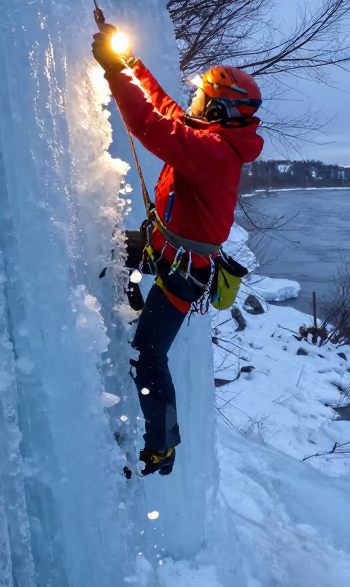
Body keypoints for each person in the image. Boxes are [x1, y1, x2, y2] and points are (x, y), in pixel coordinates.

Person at [93, 26, 264, 476]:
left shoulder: (214, 152)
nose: (191, 102)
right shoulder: (213, 137)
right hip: (163, 248)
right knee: (109, 250)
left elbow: (150, 126)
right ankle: (130, 294)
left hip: (182, 272)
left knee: (147, 357)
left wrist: (114, 72)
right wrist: (130, 62)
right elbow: (166, 107)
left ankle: (162, 448)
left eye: (200, 97)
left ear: (216, 108)